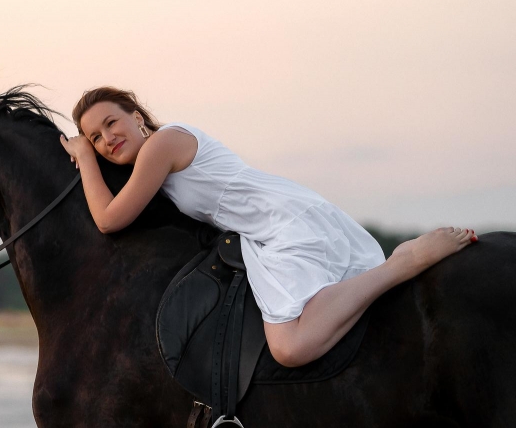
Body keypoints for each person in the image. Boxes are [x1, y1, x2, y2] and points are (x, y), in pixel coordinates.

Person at [59, 86, 477, 368]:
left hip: (282, 222)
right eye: (94, 138)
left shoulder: (162, 144)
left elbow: (109, 219)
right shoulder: (154, 166)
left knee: (290, 348)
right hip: (265, 231)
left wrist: (84, 158)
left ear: (135, 116)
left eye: (110, 123)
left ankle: (403, 263)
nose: (106, 138)